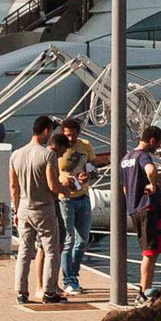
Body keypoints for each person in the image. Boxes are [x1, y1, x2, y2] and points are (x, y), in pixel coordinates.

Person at [9, 116, 65, 305]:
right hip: (44, 209)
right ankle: (49, 292)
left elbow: (13, 186)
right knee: (51, 251)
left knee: (24, 251)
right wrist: (68, 188)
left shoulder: (16, 154)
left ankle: (21, 292)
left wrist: (15, 211)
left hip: (24, 208)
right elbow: (53, 185)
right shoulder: (47, 155)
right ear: (47, 130)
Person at [117, 125, 161, 302]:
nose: (159, 147)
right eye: (159, 143)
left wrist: (133, 199)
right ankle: (144, 292)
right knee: (149, 252)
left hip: (135, 209)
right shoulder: (143, 156)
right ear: (152, 140)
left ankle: (144, 290)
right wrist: (153, 186)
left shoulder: (125, 159)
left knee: (149, 251)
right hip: (148, 209)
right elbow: (151, 170)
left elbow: (124, 188)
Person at [52, 121, 98, 295]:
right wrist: (62, 181)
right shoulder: (58, 148)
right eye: (67, 134)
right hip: (65, 198)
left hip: (83, 196)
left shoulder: (85, 146)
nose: (70, 138)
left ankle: (74, 274)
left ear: (78, 133)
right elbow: (50, 171)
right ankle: (68, 280)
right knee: (68, 240)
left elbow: (94, 167)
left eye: (73, 134)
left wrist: (88, 175)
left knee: (82, 240)